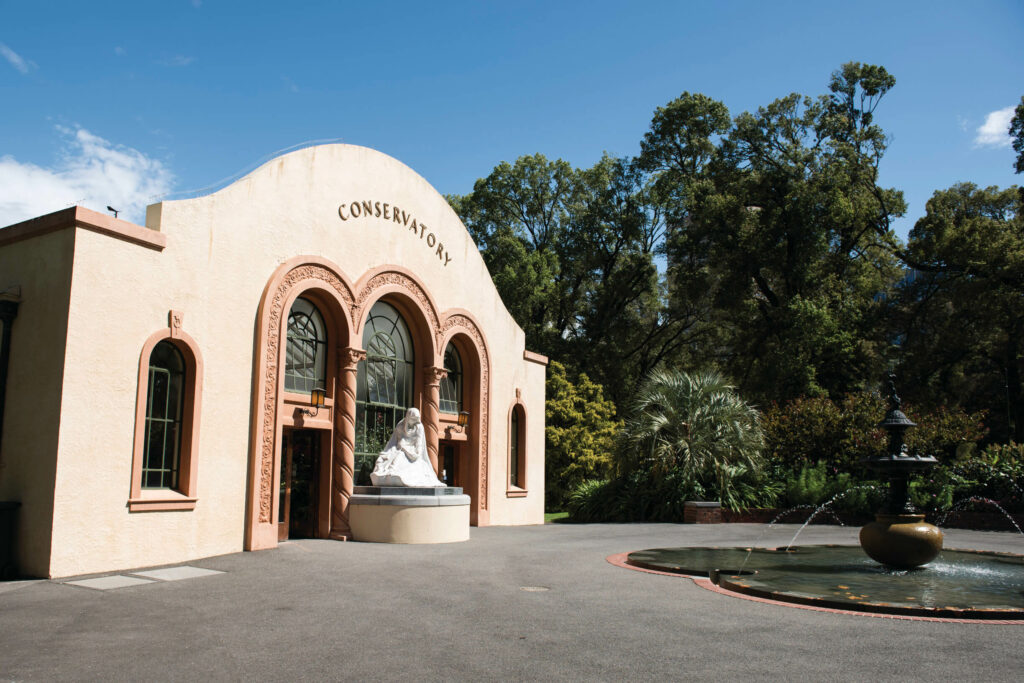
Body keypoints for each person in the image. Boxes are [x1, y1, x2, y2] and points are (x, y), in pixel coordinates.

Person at [370, 408, 444, 487]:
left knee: (401, 455)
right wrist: (400, 447)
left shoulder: (419, 427)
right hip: (399, 448)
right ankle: (389, 472)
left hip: (412, 450)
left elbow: (419, 446)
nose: (416, 421)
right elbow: (395, 441)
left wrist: (409, 450)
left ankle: (393, 471)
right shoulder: (400, 425)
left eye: (417, 419)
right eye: (413, 419)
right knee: (385, 458)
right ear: (408, 417)